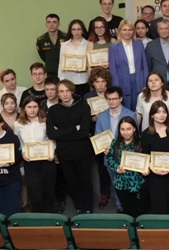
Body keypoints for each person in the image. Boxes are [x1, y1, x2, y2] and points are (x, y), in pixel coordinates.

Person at [46, 80, 94, 214]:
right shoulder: (53, 110)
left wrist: (61, 133)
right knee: (71, 182)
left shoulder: (84, 107)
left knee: (85, 181)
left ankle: (88, 208)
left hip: (83, 151)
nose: (65, 94)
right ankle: (79, 207)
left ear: (72, 91)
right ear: (58, 93)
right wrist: (73, 129)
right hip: (65, 153)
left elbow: (84, 132)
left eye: (67, 91)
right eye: (61, 91)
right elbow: (51, 134)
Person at [95, 87, 138, 214]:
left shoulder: (131, 114)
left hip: (127, 157)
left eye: (114, 99)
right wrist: (103, 148)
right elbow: (98, 136)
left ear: (121, 99)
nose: (112, 102)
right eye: (109, 99)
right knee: (116, 183)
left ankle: (131, 208)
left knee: (130, 184)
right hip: (109, 157)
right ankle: (120, 207)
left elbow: (136, 137)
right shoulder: (102, 116)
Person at [15, 96, 56, 213]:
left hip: (47, 159)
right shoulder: (18, 124)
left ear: (39, 108)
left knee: (49, 188)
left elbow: (52, 138)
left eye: (35, 107)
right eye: (29, 107)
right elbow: (18, 141)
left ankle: (51, 215)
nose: (32, 110)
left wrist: (52, 151)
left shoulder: (46, 121)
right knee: (34, 190)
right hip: (30, 161)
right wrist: (23, 152)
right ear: (24, 108)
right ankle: (38, 216)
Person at [141, 100, 169, 214]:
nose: (162, 115)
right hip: (155, 177)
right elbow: (144, 157)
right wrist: (152, 168)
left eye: (164, 112)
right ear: (152, 115)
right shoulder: (146, 134)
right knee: (159, 207)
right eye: (158, 112)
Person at [82, 68, 113, 211]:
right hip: (97, 137)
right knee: (101, 167)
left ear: (107, 82)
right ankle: (104, 194)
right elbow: (83, 119)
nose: (100, 85)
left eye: (103, 81)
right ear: (92, 83)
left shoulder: (112, 94)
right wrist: (93, 119)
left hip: (113, 134)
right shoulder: (88, 97)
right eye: (97, 82)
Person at [104, 116, 146, 217]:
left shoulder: (141, 142)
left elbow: (147, 160)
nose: (125, 132)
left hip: (137, 183)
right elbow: (110, 158)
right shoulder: (115, 142)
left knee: (140, 210)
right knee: (127, 210)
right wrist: (116, 168)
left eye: (128, 129)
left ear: (134, 129)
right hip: (121, 183)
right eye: (122, 129)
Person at [108, 20, 149, 112]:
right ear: (120, 31)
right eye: (124, 30)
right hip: (122, 83)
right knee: (125, 110)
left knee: (139, 110)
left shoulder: (139, 44)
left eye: (130, 30)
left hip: (138, 81)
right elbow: (113, 70)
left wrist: (146, 83)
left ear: (133, 31)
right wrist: (116, 88)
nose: (127, 32)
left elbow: (144, 65)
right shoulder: (114, 47)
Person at [58, 19, 90, 97]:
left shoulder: (88, 44)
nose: (76, 32)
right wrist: (60, 80)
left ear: (83, 30)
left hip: (84, 80)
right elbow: (61, 63)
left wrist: (85, 67)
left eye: (79, 29)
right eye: (74, 29)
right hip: (68, 81)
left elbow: (90, 63)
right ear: (70, 31)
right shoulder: (64, 45)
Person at [145, 18, 169, 92]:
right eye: (161, 29)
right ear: (157, 30)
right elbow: (148, 67)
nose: (164, 31)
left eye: (166, 28)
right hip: (157, 85)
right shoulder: (150, 46)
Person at [37, 13, 67, 78]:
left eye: (54, 22)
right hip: (50, 72)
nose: (51, 24)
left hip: (65, 71)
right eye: (49, 22)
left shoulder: (66, 37)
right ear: (46, 24)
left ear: (58, 24)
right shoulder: (41, 40)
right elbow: (43, 56)